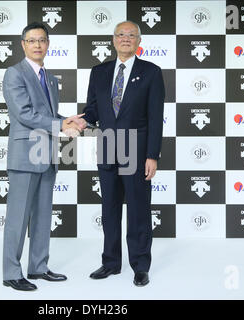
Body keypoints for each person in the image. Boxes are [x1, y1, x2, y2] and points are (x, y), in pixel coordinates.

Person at [80, 21, 165, 286]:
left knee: (139, 209)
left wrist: (152, 155)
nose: (125, 38)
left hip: (137, 152)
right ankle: (110, 263)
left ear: (139, 41)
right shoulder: (99, 72)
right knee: (109, 209)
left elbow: (155, 116)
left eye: (131, 35)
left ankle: (140, 265)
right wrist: (80, 121)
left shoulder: (151, 72)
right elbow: (93, 109)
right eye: (121, 35)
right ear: (113, 40)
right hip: (107, 147)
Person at [2, 22, 84, 291]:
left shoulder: (49, 78)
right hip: (25, 155)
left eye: (42, 40)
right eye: (32, 40)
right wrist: (60, 126)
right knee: (18, 217)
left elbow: (45, 116)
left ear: (48, 44)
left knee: (42, 216)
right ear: (23, 44)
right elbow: (24, 114)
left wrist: (66, 120)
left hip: (47, 153)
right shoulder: (14, 74)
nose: (37, 45)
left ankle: (38, 267)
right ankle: (11, 273)